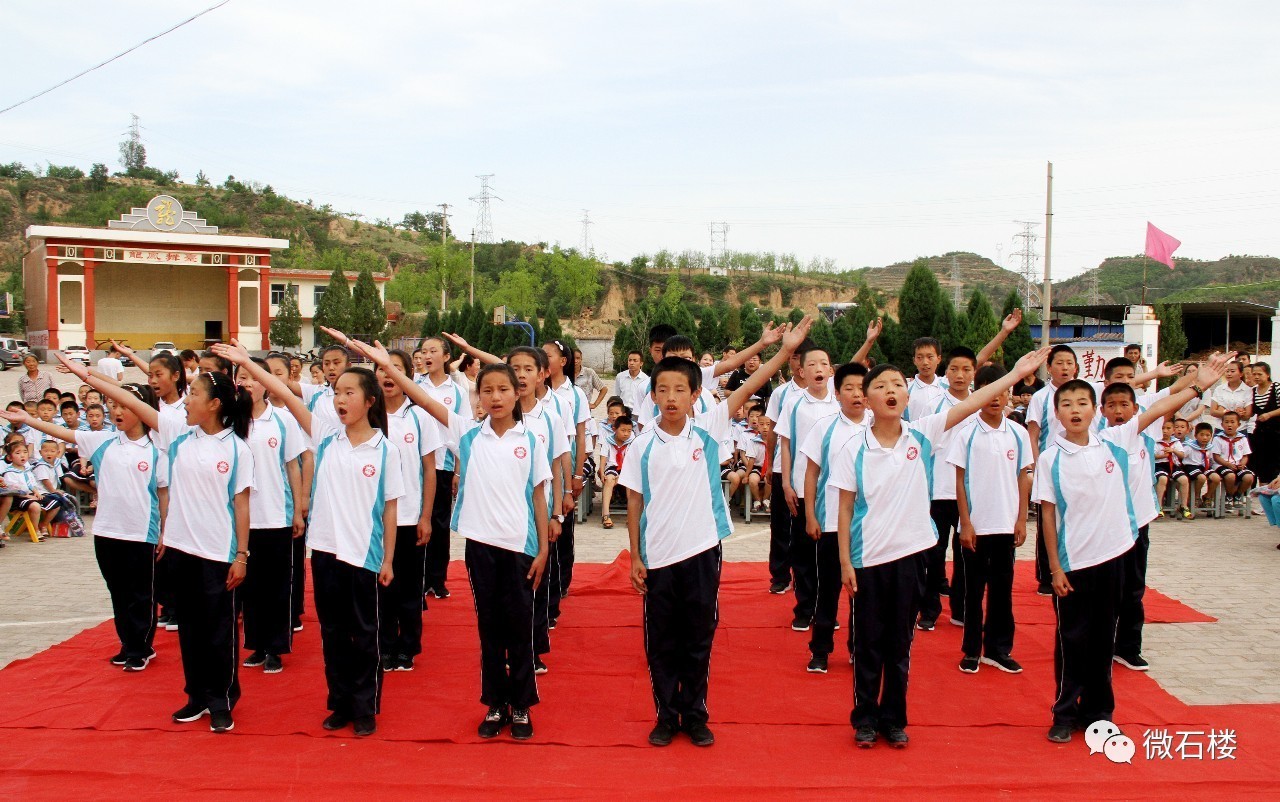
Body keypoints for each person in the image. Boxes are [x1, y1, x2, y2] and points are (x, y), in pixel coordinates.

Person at [833, 347, 1052, 749]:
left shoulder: (923, 433)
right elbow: (845, 507)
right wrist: (845, 560)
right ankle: (865, 719)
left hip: (912, 557)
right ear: (867, 398)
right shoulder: (853, 448)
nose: (891, 390)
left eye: (897, 384)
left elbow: (972, 402)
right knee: (868, 644)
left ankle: (894, 719)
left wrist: (1016, 373)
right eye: (880, 386)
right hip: (868, 560)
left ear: (907, 395)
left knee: (899, 645)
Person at [624, 318, 812, 748]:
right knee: (661, 642)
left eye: (680, 390)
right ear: (653, 396)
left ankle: (695, 713)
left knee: (698, 637)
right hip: (658, 558)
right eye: (663, 390)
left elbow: (749, 386)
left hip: (702, 551)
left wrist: (785, 352)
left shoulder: (708, 429)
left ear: (695, 396)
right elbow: (634, 503)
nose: (671, 398)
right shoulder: (641, 445)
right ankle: (665, 715)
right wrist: (636, 556)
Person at [356, 337, 551, 742]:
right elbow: (421, 398)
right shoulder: (466, 433)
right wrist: (385, 365)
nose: (495, 398)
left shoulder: (532, 441)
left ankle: (522, 707)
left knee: (519, 631)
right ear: (477, 396)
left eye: (503, 390)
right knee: (489, 631)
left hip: (520, 549)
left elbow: (537, 495)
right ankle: (495, 704)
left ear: (518, 394)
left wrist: (544, 548)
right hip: (480, 549)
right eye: (487, 390)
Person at [1036, 353, 1230, 743]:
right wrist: (1055, 568)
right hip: (1074, 564)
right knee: (1071, 638)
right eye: (1067, 404)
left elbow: (1161, 405)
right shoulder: (1049, 458)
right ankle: (1064, 712)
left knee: (1103, 638)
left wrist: (1200, 384)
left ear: (1095, 410)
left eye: (1082, 403)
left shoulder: (1115, 441)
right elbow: (1048, 517)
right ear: (1056, 413)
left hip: (1113, 558)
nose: (1075, 410)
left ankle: (1098, 712)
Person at [216, 339, 402, 738]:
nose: (340, 399)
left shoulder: (385, 451)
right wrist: (248, 362)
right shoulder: (325, 437)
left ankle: (365, 706)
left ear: (370, 400)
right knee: (333, 634)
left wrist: (387, 559)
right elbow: (283, 392)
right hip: (327, 552)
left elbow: (389, 509)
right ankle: (340, 703)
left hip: (365, 558)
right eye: (337, 392)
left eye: (349, 392)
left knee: (365, 634)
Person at [62, 352, 255, 735]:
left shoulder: (237, 448)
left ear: (214, 404)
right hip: (181, 550)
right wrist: (85, 374)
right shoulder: (177, 433)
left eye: (194, 394)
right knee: (191, 630)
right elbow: (132, 401)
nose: (187, 401)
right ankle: (196, 695)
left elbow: (242, 503)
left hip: (218, 554)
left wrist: (242, 555)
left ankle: (221, 699)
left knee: (219, 631)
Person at [3, 384, 166, 670]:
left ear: (142, 411)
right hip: (106, 531)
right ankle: (128, 643)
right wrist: (27, 420)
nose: (116, 411)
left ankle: (141, 647)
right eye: (112, 405)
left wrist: (166, 531)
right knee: (118, 591)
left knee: (141, 593)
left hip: (142, 532)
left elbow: (164, 494)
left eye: (124, 406)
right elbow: (62, 433)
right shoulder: (102, 441)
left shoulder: (157, 450)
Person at [948, 365, 1033, 676]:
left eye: (1001, 391)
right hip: (976, 527)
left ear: (1008, 393)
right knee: (973, 591)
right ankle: (971, 651)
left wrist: (1022, 519)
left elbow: (1024, 477)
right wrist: (965, 523)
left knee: (1002, 590)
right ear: (978, 393)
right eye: (988, 391)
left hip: (1006, 526)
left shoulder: (1019, 433)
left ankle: (998, 650)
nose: (995, 398)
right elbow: (960, 481)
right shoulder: (967, 434)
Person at [235, 358, 307, 675]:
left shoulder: (282, 420)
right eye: (242, 377)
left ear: (266, 383)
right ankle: (257, 645)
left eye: (253, 377)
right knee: (248, 587)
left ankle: (276, 647)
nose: (248, 383)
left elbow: (293, 465)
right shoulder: (230, 421)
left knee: (276, 586)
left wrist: (299, 508)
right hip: (242, 520)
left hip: (276, 515)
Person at [799, 361, 871, 672]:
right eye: (849, 389)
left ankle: (860, 647)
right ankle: (820, 650)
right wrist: (810, 515)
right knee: (827, 589)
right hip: (830, 523)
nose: (856, 394)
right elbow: (811, 474)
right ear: (837, 393)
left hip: (868, 526)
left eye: (861, 388)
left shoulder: (879, 425)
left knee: (864, 593)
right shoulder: (824, 428)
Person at [373, 349, 439, 672]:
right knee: (382, 586)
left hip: (410, 516)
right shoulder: (368, 415)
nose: (387, 376)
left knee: (410, 586)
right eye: (382, 370)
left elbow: (429, 469)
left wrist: (426, 516)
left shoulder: (419, 416)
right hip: (376, 521)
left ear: (406, 376)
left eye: (394, 369)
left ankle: (408, 646)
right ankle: (385, 644)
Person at [776, 344, 840, 632]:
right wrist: (787, 482)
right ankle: (804, 608)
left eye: (822, 364)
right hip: (802, 489)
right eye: (811, 365)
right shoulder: (794, 403)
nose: (817, 369)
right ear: (801, 371)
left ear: (830, 370)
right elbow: (786, 445)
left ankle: (827, 611)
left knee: (830, 555)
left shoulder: (839, 403)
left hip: (836, 491)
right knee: (802, 552)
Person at [414, 337, 470, 600]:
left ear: (446, 357)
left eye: (433, 351)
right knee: (416, 519)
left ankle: (437, 578)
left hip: (444, 464)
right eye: (424, 351)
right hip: (416, 465)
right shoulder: (413, 387)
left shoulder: (457, 392)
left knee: (439, 522)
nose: (427, 355)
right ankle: (418, 577)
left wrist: (458, 470)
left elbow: (463, 432)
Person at [1213, 411, 1255, 509]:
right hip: (1222, 465)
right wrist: (1227, 464)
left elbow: (1245, 455)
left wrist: (1242, 464)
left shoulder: (1242, 438)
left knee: (1249, 477)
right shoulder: (1218, 438)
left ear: (1238, 424)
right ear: (1222, 424)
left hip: (1237, 464)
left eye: (1232, 422)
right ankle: (1229, 495)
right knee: (1230, 476)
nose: (1229, 425)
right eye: (1226, 422)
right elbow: (1216, 456)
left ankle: (1238, 495)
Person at [599, 416, 634, 530]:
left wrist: (623, 477)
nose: (626, 434)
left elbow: (633, 460)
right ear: (615, 429)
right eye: (623, 430)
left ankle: (631, 517)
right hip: (613, 468)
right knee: (609, 479)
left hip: (627, 467)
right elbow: (603, 458)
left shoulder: (632, 442)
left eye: (629, 431)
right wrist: (601, 471)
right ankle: (606, 515)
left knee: (630, 484)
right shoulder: (608, 441)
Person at [1154, 421, 1190, 519]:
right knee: (1162, 479)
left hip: (1173, 465)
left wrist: (1173, 450)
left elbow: (1182, 455)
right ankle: (1159, 506)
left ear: (1173, 430)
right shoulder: (1156, 441)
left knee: (1184, 480)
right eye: (1162, 428)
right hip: (1160, 465)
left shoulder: (1176, 442)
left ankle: (1183, 505)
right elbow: (1152, 456)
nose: (1165, 431)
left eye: (1168, 428)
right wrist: (1163, 455)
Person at [1208, 360, 1253, 434]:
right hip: (1221, 429)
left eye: (1232, 371)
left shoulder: (1248, 390)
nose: (1229, 374)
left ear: (1241, 373)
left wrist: (1222, 411)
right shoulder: (1219, 389)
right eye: (1227, 371)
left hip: (1240, 430)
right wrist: (1235, 414)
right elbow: (1213, 412)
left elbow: (1247, 415)